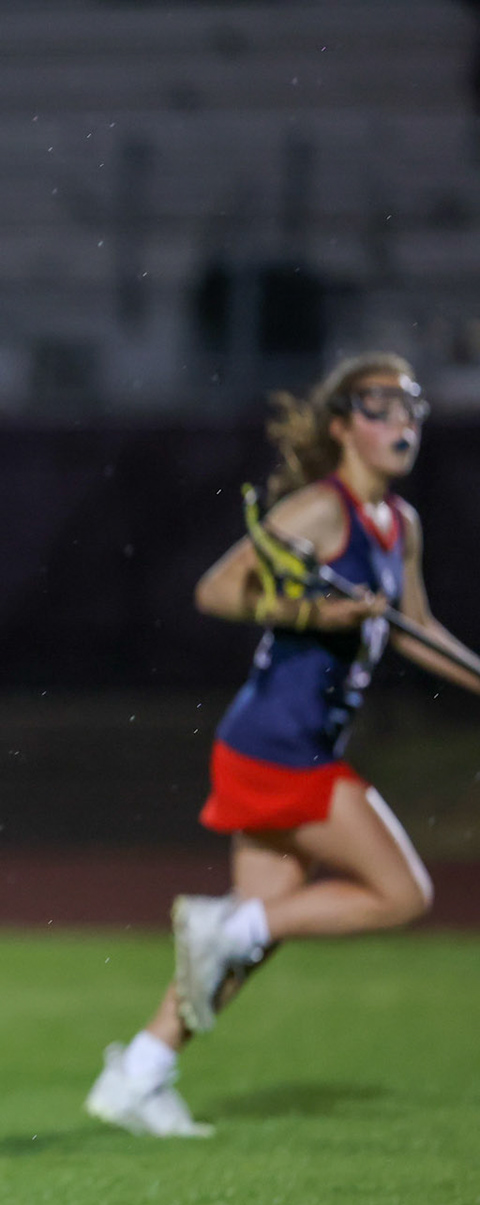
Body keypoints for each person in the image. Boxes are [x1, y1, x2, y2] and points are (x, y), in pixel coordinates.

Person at [85, 352, 480, 1138]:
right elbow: (217, 590)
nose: (401, 423)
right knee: (401, 895)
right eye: (379, 407)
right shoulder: (322, 510)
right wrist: (316, 614)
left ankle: (138, 1074)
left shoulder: (399, 525)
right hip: (280, 743)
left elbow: (415, 629)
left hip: (288, 741)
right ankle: (227, 929)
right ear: (341, 428)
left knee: (251, 939)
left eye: (410, 408)